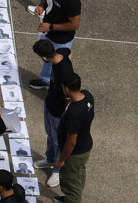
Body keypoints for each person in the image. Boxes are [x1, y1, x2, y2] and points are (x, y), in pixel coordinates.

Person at [33, 39, 74, 189]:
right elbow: (70, 51)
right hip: (49, 103)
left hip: (58, 112)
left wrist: (67, 103)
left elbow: (72, 91)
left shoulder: (65, 73)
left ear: (44, 57)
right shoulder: (62, 52)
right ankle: (50, 159)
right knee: (50, 135)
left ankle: (57, 170)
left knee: (58, 142)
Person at [53, 73, 94, 203]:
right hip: (85, 146)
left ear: (67, 88)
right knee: (78, 174)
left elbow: (71, 142)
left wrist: (61, 160)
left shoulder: (73, 114)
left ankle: (71, 200)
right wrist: (71, 102)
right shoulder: (87, 95)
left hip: (73, 154)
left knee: (70, 182)